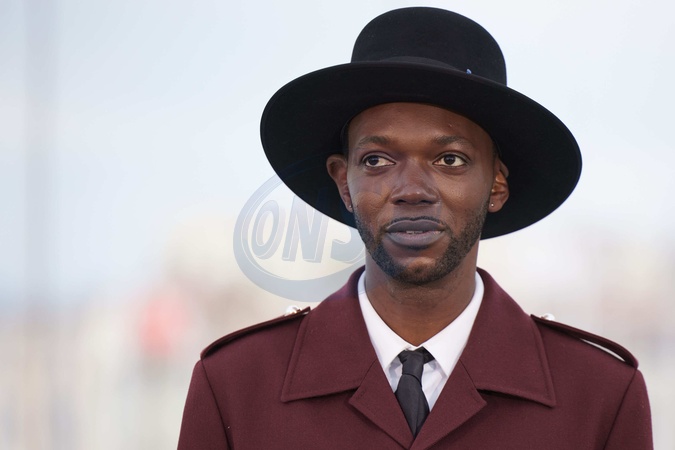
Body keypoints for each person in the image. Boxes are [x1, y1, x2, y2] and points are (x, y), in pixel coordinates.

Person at [178, 7, 652, 449]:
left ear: (496, 184)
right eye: (377, 160)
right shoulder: (235, 384)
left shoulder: (600, 394)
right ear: (344, 183)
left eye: (450, 160)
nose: (412, 190)